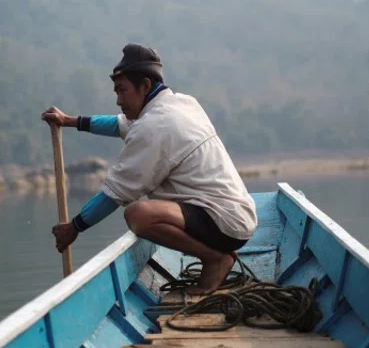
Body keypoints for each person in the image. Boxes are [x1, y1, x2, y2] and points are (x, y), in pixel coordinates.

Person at [41, 43, 257, 295]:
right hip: (238, 217)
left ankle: (215, 259)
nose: (119, 100)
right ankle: (216, 256)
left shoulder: (153, 126)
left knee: (138, 215)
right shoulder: (183, 103)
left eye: (122, 91)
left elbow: (114, 195)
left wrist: (74, 228)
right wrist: (69, 121)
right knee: (141, 212)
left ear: (144, 86)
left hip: (223, 222)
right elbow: (119, 124)